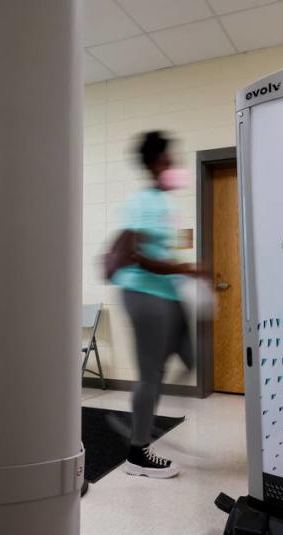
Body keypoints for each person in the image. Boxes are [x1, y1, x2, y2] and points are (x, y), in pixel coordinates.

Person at [112, 131, 199, 479]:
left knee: (194, 357)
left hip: (168, 293)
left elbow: (162, 252)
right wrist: (186, 268)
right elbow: (137, 255)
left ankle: (144, 414)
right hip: (144, 293)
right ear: (153, 164)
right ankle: (137, 453)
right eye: (166, 159)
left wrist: (182, 275)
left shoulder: (164, 203)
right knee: (152, 373)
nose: (172, 164)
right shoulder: (143, 202)